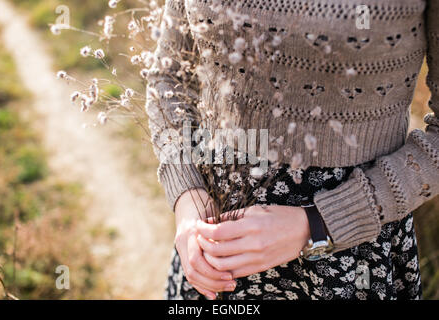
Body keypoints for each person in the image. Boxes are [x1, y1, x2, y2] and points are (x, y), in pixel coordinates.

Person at [145, 0, 438, 300]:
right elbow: (168, 78)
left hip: (347, 254)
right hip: (216, 245)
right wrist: (186, 196)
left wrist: (318, 224)